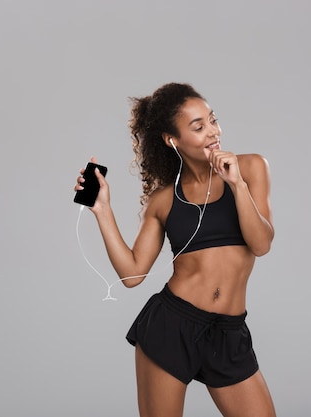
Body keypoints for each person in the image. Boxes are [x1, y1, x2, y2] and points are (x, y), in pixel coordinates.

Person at [74, 82, 276, 417]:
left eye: (213, 120)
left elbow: (261, 243)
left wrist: (237, 185)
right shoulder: (164, 199)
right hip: (171, 327)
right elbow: (131, 274)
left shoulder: (252, 168)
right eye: (198, 127)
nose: (213, 132)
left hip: (228, 333)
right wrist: (103, 209)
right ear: (172, 140)